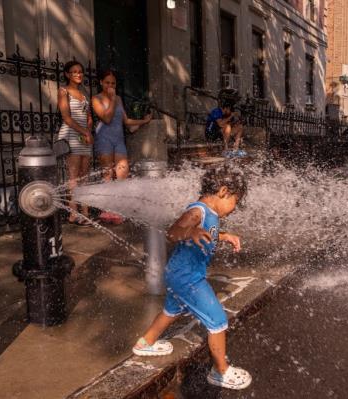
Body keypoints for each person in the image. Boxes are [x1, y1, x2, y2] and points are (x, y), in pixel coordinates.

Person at [132, 167, 252, 390]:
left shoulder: (210, 213)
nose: (234, 209)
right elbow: (173, 231)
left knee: (172, 310)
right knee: (217, 321)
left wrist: (224, 236)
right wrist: (190, 232)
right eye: (235, 201)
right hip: (188, 277)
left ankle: (145, 343)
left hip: (180, 273)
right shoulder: (198, 212)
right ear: (223, 191)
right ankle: (221, 371)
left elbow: (210, 233)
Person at [91, 69, 151, 224]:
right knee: (107, 175)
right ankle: (107, 209)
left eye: (113, 83)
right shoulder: (96, 99)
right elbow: (107, 118)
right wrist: (111, 100)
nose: (110, 85)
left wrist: (143, 121)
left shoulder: (118, 98)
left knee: (123, 173)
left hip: (118, 140)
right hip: (104, 139)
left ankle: (119, 208)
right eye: (107, 82)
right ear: (101, 83)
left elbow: (125, 121)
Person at [57, 60, 94, 226]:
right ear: (67, 74)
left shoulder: (84, 93)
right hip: (71, 134)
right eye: (74, 72)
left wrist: (89, 128)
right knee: (73, 177)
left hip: (84, 136)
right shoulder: (63, 91)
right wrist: (85, 131)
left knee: (84, 176)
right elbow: (66, 117)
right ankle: (73, 214)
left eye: (80, 71)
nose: (78, 74)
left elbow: (88, 116)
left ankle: (85, 212)